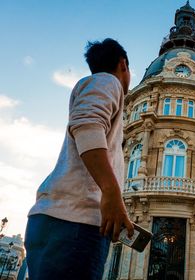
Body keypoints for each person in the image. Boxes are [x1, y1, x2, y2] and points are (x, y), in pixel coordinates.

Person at [24, 38, 134, 280]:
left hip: (59, 220)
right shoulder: (109, 82)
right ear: (123, 64)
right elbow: (87, 124)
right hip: (75, 223)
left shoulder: (96, 84)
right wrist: (111, 193)